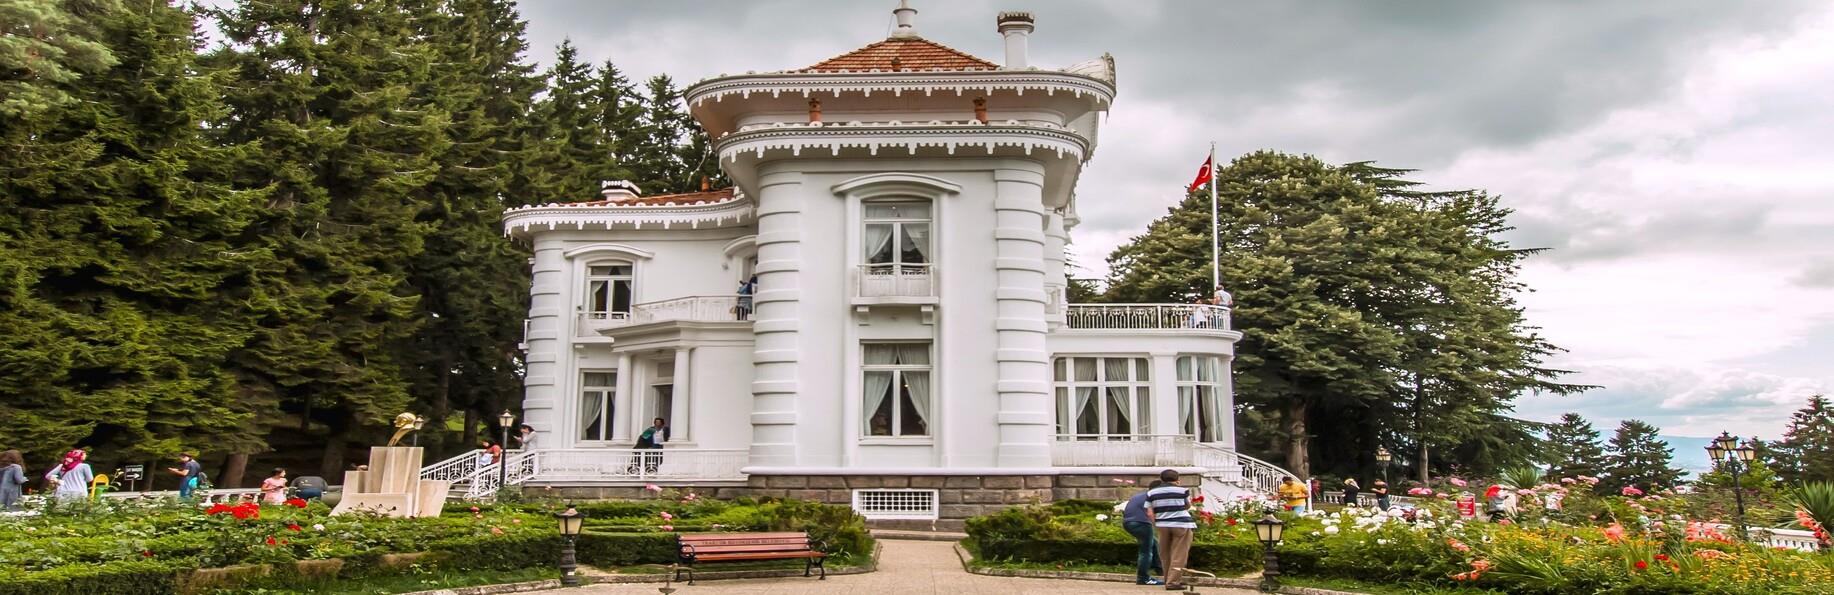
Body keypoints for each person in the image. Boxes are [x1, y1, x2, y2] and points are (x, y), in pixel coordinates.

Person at [1146, 469, 1198, 591]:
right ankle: (1173, 582)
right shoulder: (1183, 491)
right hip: (1181, 523)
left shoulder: (1151, 493)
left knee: (1165, 553)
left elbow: (1149, 512)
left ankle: (1167, 579)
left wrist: (1156, 524)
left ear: (1161, 479)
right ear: (1177, 479)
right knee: (1179, 554)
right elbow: (1187, 505)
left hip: (1162, 524)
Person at [1122, 480, 1165, 585]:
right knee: (1146, 551)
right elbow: (1153, 513)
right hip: (1141, 523)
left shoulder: (1140, 495)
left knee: (1153, 543)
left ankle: (1160, 570)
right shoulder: (1153, 497)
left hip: (1128, 522)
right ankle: (1143, 578)